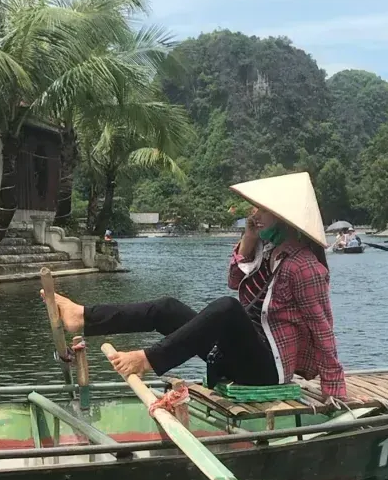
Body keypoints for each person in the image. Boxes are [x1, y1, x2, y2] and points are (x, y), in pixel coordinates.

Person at [44, 172, 349, 402]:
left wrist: (335, 390)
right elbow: (234, 280)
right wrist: (251, 237)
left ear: (283, 219)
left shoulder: (306, 266)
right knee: (166, 309)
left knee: (228, 309)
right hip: (241, 354)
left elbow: (323, 329)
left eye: (261, 210)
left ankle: (149, 360)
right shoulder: (269, 252)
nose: (254, 215)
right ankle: (82, 316)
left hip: (269, 368)